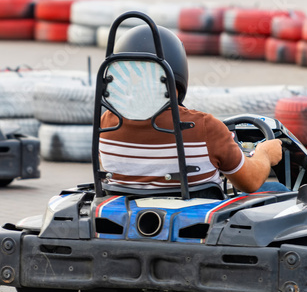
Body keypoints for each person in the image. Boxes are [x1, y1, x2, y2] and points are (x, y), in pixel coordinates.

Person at [98, 24, 285, 196]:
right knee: (278, 190)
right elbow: (250, 182)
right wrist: (265, 154)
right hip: (196, 226)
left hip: (126, 218)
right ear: (175, 77)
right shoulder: (206, 127)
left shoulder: (105, 125)